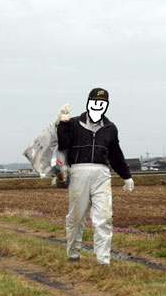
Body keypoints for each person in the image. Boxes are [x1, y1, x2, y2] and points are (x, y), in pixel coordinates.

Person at [56, 87, 134, 265]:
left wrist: (126, 176)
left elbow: (116, 155)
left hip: (102, 174)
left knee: (104, 218)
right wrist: (63, 121)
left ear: (106, 105)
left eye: (102, 103)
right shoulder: (74, 124)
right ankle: (73, 255)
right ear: (88, 103)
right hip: (78, 173)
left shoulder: (110, 128)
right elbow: (63, 144)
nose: (97, 105)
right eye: (94, 102)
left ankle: (102, 260)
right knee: (76, 217)